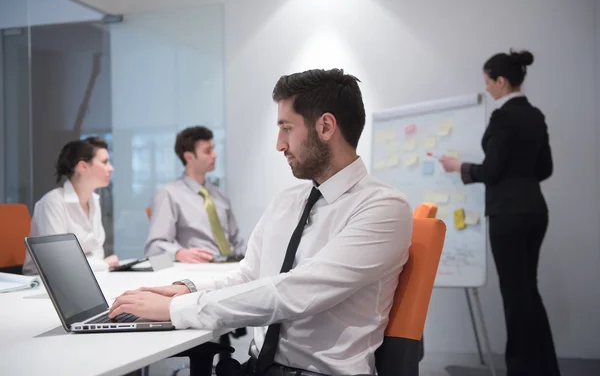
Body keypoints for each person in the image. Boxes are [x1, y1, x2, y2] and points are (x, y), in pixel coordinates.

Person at [109, 69, 413, 375]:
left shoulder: (383, 208)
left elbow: (294, 293)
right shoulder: (287, 201)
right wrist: (186, 290)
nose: (279, 144)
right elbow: (248, 275)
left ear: (325, 126)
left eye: (286, 128)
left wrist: (179, 310)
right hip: (258, 367)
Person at [439, 50, 560, 376]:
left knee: (515, 294)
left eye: (489, 83)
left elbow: (491, 172)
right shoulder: (535, 115)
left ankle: (520, 369)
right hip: (536, 211)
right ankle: (545, 368)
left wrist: (458, 167)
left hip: (508, 214)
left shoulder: (503, 118)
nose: (488, 89)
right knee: (527, 290)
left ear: (502, 81)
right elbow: (545, 168)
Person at [144, 126, 246, 263]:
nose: (214, 155)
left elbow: (237, 241)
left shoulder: (221, 196)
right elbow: (154, 247)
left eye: (213, 149)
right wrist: (178, 253)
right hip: (198, 270)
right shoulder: (169, 195)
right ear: (189, 156)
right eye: (207, 151)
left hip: (232, 267)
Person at [23, 137, 119, 275]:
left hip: (86, 278)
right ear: (83, 166)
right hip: (42, 286)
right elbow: (57, 264)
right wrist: (102, 264)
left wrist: (100, 265)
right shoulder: (52, 203)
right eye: (104, 162)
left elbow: (97, 253)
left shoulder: (94, 201)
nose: (111, 168)